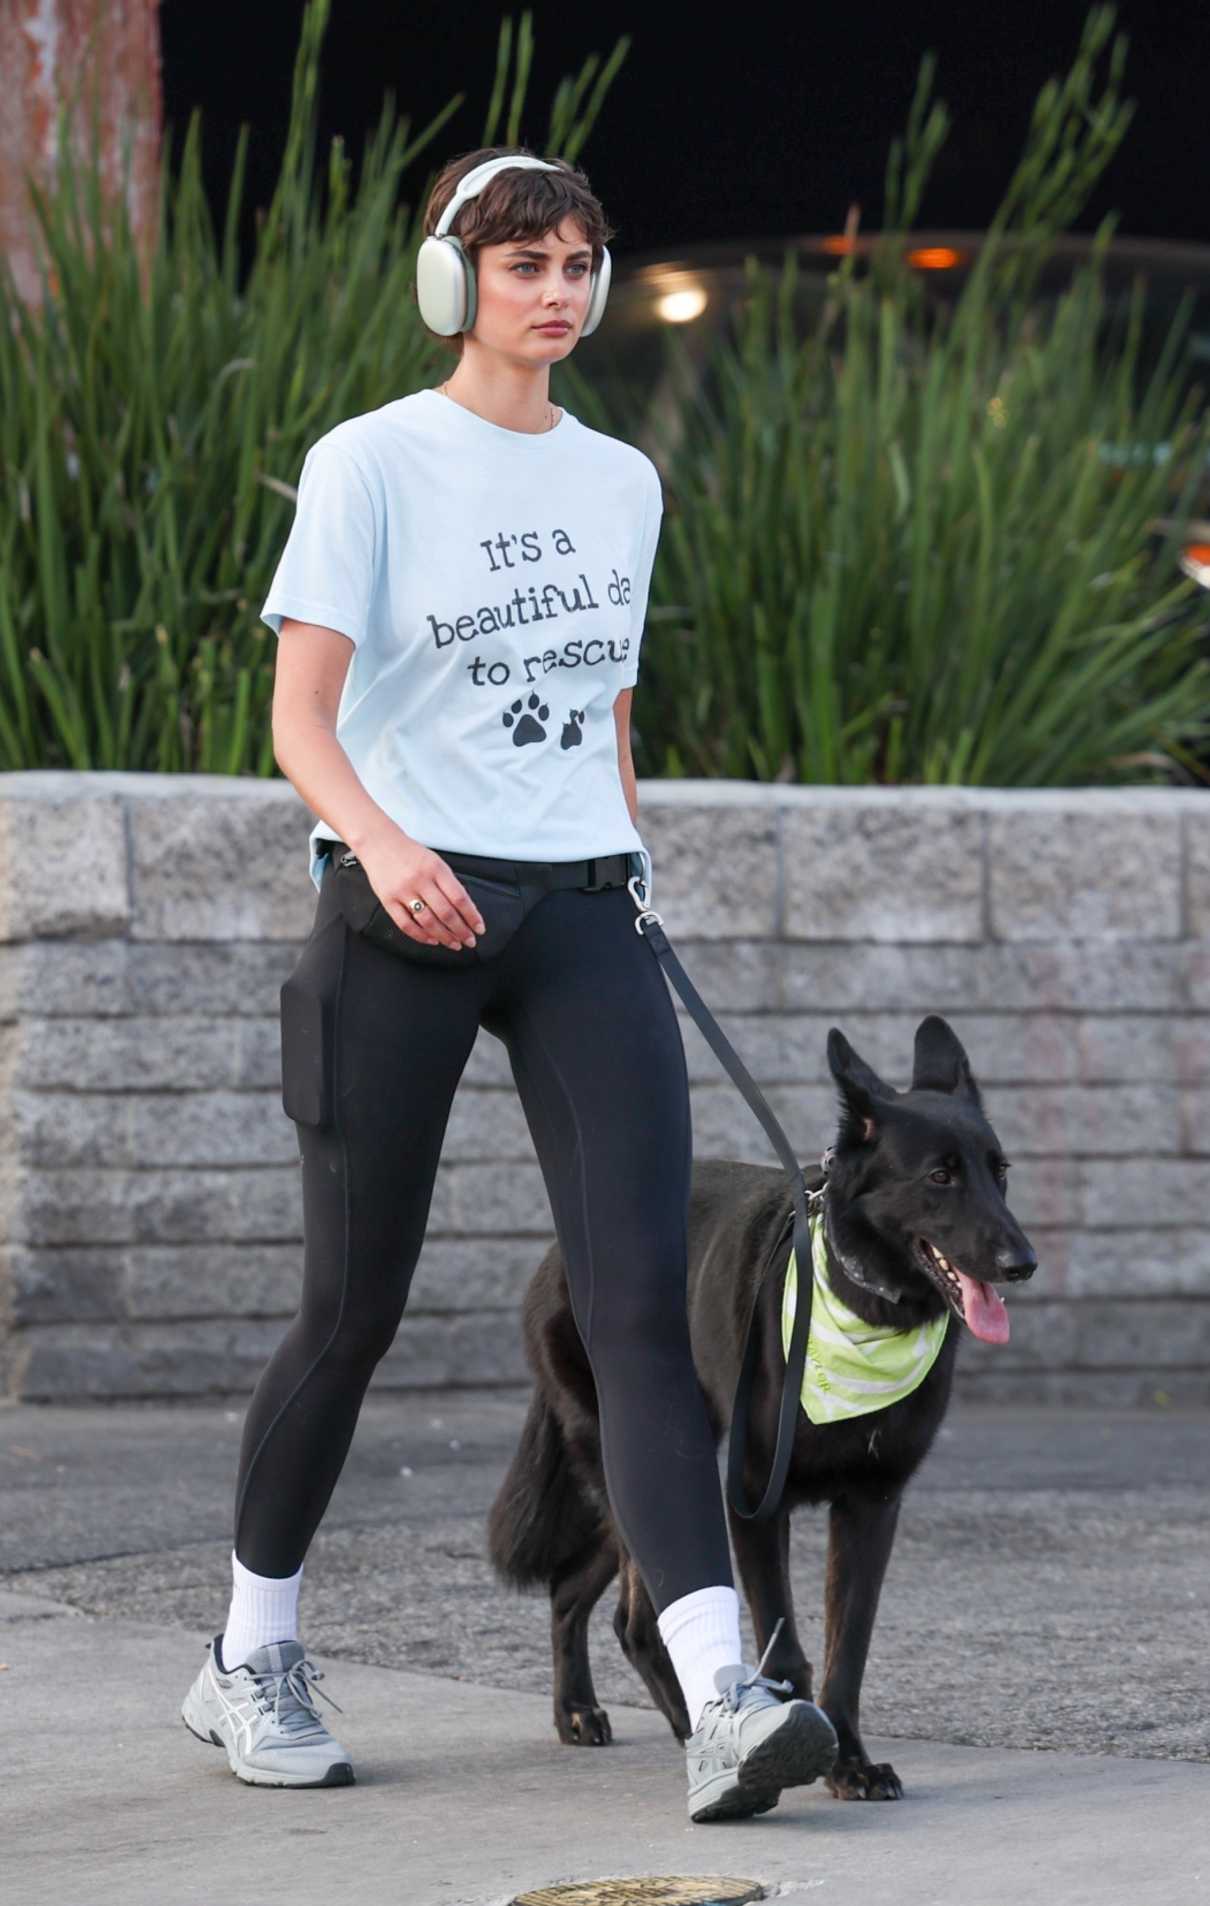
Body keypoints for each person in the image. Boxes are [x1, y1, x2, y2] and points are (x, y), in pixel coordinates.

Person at [179, 145, 837, 1824]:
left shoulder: (620, 480)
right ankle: (248, 1650)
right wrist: (386, 849)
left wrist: (626, 855)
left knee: (639, 1311)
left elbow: (606, 704)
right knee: (354, 1309)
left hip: (579, 922)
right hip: (399, 919)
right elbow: (300, 721)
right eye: (519, 260)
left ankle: (718, 1695)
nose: (553, 290)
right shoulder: (372, 461)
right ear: (450, 280)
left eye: (576, 263)